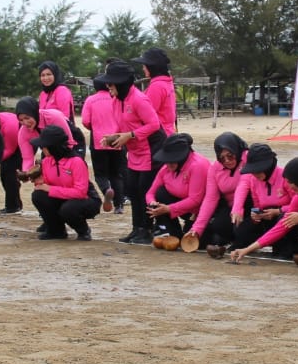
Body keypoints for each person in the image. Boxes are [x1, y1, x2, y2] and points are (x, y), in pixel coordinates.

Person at [102, 60, 163, 244]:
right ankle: (137, 228)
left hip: (151, 149)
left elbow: (154, 125)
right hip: (135, 150)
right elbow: (123, 126)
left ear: (121, 83)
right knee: (132, 189)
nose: (108, 86)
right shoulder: (116, 101)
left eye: (111, 83)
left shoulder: (138, 99)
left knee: (144, 190)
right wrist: (113, 138)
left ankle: (147, 229)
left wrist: (130, 135)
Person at [29, 124, 99, 241]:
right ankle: (56, 231)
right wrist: (40, 182)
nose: (41, 149)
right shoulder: (46, 161)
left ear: (53, 146)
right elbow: (47, 186)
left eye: (43, 146)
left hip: (86, 200)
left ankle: (83, 230)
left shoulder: (76, 162)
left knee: (68, 209)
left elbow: (80, 193)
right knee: (38, 195)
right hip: (63, 198)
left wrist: (50, 189)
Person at [230, 143, 298, 258]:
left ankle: (291, 249)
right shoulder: (253, 180)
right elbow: (257, 204)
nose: (254, 173)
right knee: (241, 229)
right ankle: (252, 246)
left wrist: (278, 211)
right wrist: (256, 216)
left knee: (284, 218)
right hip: (266, 218)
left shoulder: (285, 176)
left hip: (287, 216)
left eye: (258, 169)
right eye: (252, 170)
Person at [144, 133, 211, 239]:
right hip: (181, 207)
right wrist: (152, 204)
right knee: (160, 193)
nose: (168, 163)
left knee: (198, 241)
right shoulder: (166, 168)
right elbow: (150, 192)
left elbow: (195, 199)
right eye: (166, 160)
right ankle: (173, 233)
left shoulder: (198, 165)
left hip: (200, 211)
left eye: (172, 160)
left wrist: (168, 208)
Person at [190, 132, 247, 249]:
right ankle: (230, 239)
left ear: (237, 150)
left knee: (242, 228)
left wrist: (238, 208)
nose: (227, 160)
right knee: (218, 225)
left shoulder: (248, 159)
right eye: (222, 158)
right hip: (230, 207)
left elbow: (244, 185)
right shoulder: (215, 168)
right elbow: (210, 199)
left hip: (251, 204)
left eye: (230, 156)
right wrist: (196, 229)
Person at [82, 74, 125, 214]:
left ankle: (107, 189)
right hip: (117, 139)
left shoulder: (90, 100)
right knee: (116, 174)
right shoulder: (116, 98)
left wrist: (94, 128)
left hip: (98, 141)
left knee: (100, 174)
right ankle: (119, 205)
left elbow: (85, 121)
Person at [37, 60, 86, 158]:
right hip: (48, 139)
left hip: (64, 137)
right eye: (42, 75)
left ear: (55, 75)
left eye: (49, 74)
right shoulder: (43, 94)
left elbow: (64, 118)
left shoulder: (62, 91)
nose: (46, 78)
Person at [132, 47, 177, 137]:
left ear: (152, 67)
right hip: (167, 132)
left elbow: (146, 114)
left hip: (159, 135)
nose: (143, 68)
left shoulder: (157, 86)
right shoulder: (166, 82)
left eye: (145, 65)